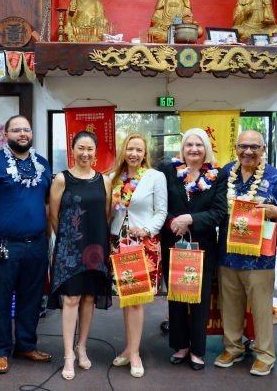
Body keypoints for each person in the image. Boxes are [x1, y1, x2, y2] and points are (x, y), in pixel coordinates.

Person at [0, 115, 53, 374]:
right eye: (16, 130)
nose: (22, 134)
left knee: (31, 300)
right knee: (1, 301)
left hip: (37, 245)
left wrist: (51, 243)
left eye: (26, 129)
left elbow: (48, 204)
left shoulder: (42, 164)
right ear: (5, 135)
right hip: (3, 245)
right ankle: (0, 351)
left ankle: (26, 346)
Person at [213, 130, 277, 376]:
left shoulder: (274, 177)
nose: (248, 151)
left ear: (263, 150)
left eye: (254, 147)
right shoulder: (226, 172)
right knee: (230, 305)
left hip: (260, 257)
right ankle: (233, 347)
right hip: (227, 252)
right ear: (236, 147)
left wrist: (273, 211)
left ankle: (265, 354)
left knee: (260, 308)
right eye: (243, 146)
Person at [158, 128, 227, 371]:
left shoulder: (217, 176)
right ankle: (180, 346)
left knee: (199, 299)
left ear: (206, 148)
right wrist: (171, 222)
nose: (194, 149)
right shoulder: (169, 172)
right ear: (182, 149)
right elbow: (159, 203)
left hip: (203, 246)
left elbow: (219, 213)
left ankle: (198, 350)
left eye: (199, 145)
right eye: (189, 145)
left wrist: (190, 219)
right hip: (173, 243)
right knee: (176, 296)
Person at [48, 131, 112, 380]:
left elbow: (106, 216)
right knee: (71, 298)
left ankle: (81, 347)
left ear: (96, 152)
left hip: (95, 246)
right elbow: (53, 215)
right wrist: (67, 242)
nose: (85, 153)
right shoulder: (62, 179)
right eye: (80, 148)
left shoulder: (104, 181)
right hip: (70, 248)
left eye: (90, 149)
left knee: (88, 298)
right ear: (72, 151)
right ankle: (68, 355)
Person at [109, 133, 167, 378]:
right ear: (124, 151)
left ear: (145, 154)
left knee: (137, 300)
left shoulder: (155, 177)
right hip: (119, 242)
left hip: (142, 243)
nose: (134, 153)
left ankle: (135, 353)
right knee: (126, 299)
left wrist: (147, 230)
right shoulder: (114, 178)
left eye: (139, 150)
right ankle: (129, 347)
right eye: (130, 149)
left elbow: (161, 211)